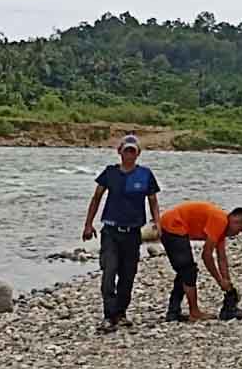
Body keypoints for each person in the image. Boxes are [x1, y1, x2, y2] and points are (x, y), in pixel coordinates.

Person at [82, 134, 161, 333]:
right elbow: (96, 198)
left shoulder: (145, 175)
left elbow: (152, 200)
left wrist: (157, 222)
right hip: (110, 231)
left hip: (133, 233)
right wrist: (88, 224)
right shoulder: (110, 173)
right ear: (120, 152)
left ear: (138, 154)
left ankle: (121, 313)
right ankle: (109, 316)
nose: (129, 155)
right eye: (126, 151)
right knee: (109, 272)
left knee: (128, 275)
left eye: (133, 151)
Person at [159, 201, 242, 322]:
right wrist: (220, 281)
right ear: (236, 220)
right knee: (188, 270)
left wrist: (228, 283)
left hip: (173, 225)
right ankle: (194, 312)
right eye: (240, 229)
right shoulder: (220, 220)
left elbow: (222, 258)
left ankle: (173, 313)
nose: (237, 233)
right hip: (172, 225)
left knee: (184, 271)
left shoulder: (222, 229)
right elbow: (206, 256)